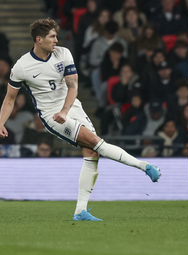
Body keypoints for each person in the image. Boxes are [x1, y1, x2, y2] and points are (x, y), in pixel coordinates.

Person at [0, 18, 161, 221]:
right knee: (95, 142)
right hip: (52, 116)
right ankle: (144, 166)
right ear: (39, 39)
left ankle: (80, 212)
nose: (56, 40)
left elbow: (73, 87)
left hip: (71, 107)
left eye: (57, 36)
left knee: (92, 152)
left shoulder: (64, 53)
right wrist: (0, 122)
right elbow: (10, 99)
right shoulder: (22, 67)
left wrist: (66, 110)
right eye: (52, 37)